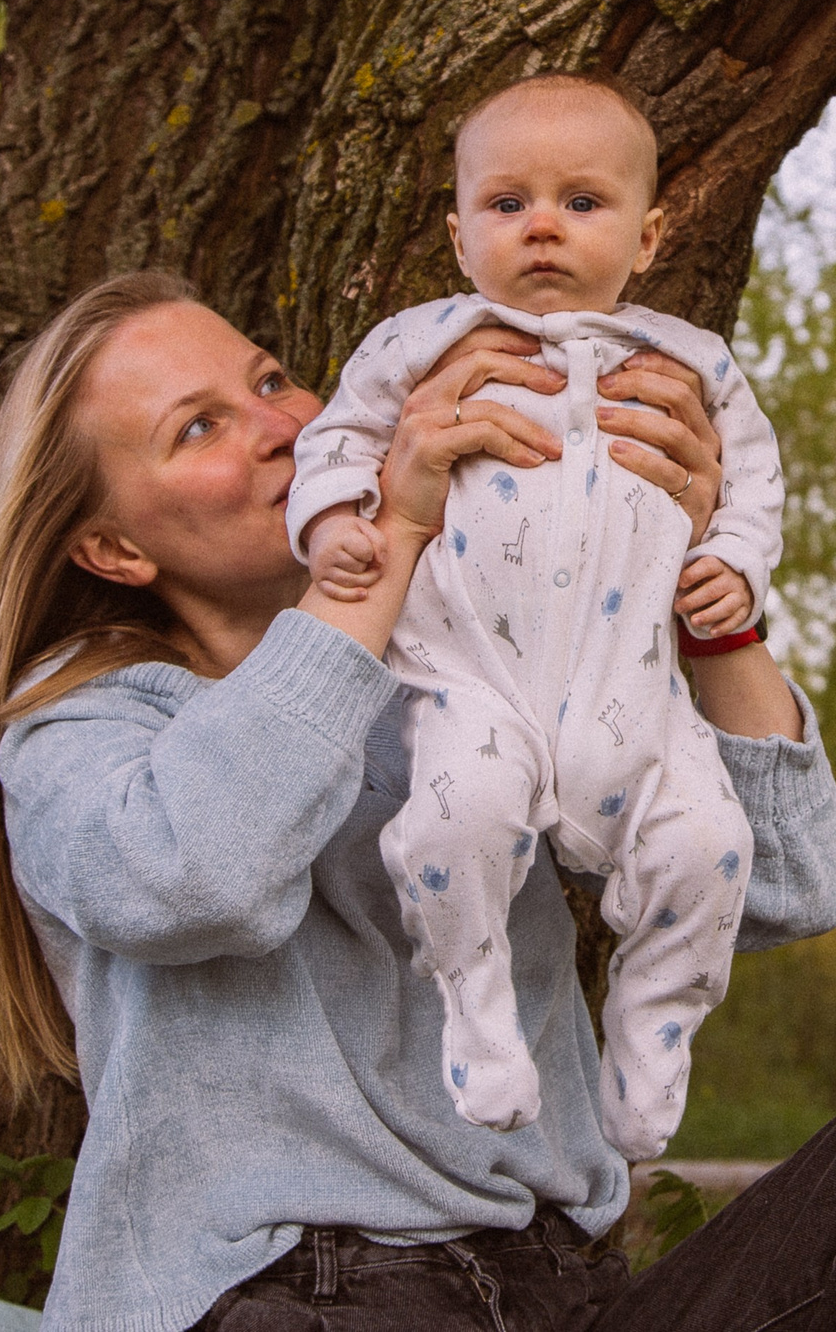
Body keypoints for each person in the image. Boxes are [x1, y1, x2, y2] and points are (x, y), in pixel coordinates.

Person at [0, 271, 836, 1332]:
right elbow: (193, 880)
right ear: (114, 550)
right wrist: (386, 541)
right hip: (286, 1293)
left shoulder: (474, 670)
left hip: (564, 1292)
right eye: (198, 429)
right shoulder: (84, 723)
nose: (284, 424)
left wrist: (702, 577)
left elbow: (785, 882)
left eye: (271, 377)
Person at [286, 72, 779, 1159]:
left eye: (582, 203)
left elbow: (753, 482)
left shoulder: (690, 362)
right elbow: (332, 443)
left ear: (648, 238)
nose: (543, 226)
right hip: (472, 685)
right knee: (454, 826)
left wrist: (734, 566)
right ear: (460, 237)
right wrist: (331, 525)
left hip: (635, 698)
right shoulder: (416, 346)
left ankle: (655, 1016)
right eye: (507, 204)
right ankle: (475, 1006)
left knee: (709, 845)